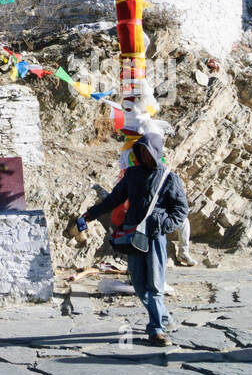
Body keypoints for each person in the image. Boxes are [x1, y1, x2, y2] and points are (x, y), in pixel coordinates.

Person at [76, 132, 188, 346]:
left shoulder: (169, 178)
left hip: (154, 238)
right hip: (132, 236)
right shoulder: (132, 174)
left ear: (156, 152)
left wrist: (161, 224)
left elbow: (180, 211)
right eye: (141, 151)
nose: (145, 155)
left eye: (148, 151)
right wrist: (90, 214)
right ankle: (162, 316)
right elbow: (114, 198)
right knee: (138, 283)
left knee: (155, 284)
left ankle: (156, 329)